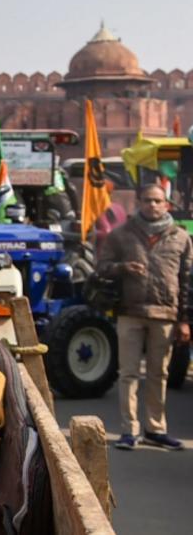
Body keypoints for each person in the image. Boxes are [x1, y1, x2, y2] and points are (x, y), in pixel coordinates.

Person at [99, 183, 192, 451]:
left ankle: (156, 429)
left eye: (158, 201)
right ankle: (129, 431)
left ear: (167, 204)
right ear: (138, 202)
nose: (152, 205)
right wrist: (122, 268)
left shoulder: (180, 237)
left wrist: (184, 320)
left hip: (165, 314)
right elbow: (101, 269)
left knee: (158, 374)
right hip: (130, 312)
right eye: (148, 200)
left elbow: (186, 282)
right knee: (128, 373)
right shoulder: (121, 235)